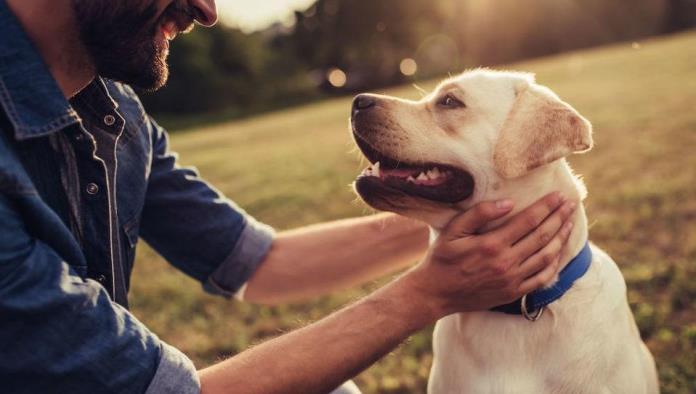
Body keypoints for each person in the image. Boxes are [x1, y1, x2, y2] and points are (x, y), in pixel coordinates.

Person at [0, 1, 577, 393]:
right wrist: (427, 294)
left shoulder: (116, 114)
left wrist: (482, 212)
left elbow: (262, 262)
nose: (207, 9)